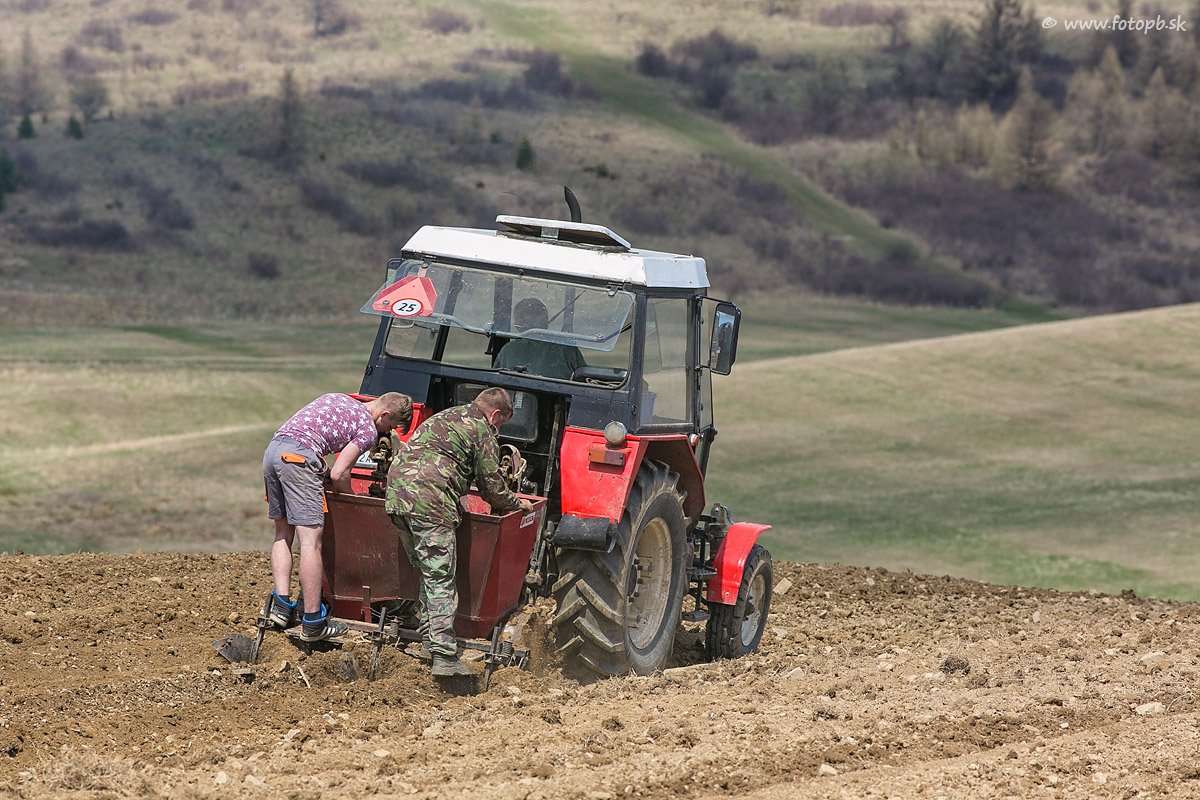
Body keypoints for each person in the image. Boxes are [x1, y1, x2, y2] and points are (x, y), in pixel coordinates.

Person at [384, 387, 533, 676]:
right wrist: (518, 503)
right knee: (440, 578)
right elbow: (492, 489)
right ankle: (443, 655)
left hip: (397, 499)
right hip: (431, 502)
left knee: (428, 571)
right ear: (495, 414)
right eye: (501, 423)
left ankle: (428, 641)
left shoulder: (446, 416)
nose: (498, 429)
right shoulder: (482, 429)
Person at [264, 391, 413, 641]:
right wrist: (353, 503)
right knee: (311, 543)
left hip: (273, 452)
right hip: (298, 460)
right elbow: (339, 475)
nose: (386, 432)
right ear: (384, 415)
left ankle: (280, 608)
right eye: (390, 427)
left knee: (282, 534)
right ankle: (313, 622)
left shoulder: (340, 398)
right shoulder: (367, 429)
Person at [494, 297, 585, 380]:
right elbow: (585, 378)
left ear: (517, 327)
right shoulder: (567, 348)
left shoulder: (507, 350)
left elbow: (495, 381)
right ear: (546, 323)